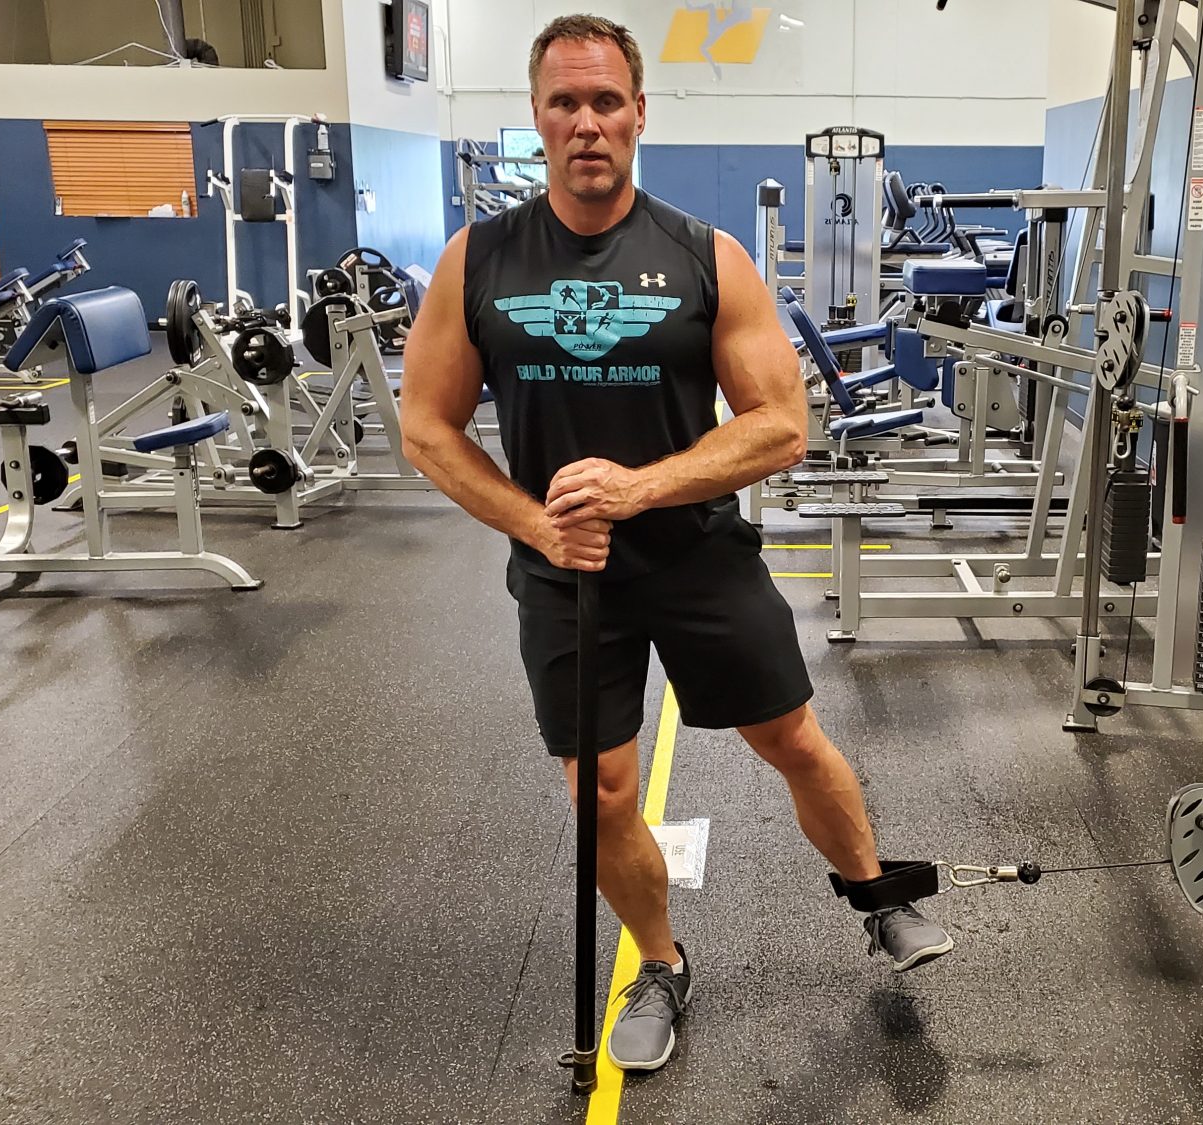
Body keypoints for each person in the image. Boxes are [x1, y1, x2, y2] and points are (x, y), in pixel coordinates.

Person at [398, 14, 953, 1075]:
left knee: (790, 738)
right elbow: (426, 427)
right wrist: (537, 522)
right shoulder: (479, 260)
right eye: (565, 103)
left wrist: (639, 487)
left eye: (606, 101)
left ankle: (877, 897)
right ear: (537, 117)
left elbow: (780, 425)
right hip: (563, 566)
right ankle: (658, 962)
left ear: (639, 113)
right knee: (601, 789)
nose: (587, 123)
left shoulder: (705, 256)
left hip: (695, 551)